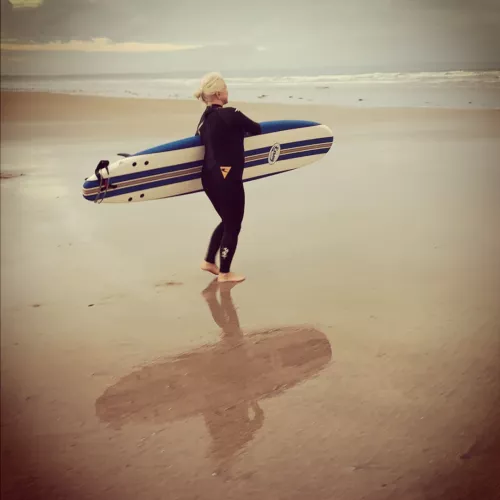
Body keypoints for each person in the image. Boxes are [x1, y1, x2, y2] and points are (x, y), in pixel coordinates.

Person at [194, 72, 262, 283]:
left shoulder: (203, 121)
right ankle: (224, 273)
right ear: (217, 93)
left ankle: (209, 262)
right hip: (228, 177)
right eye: (225, 89)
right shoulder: (231, 113)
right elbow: (256, 129)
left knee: (227, 220)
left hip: (209, 179)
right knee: (234, 225)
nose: (227, 92)